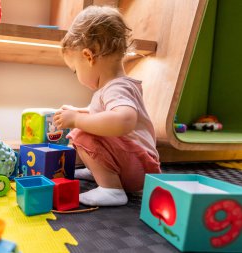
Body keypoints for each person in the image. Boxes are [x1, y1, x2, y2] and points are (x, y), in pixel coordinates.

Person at [53, 5, 161, 206]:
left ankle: (111, 188)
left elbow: (124, 120)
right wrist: (78, 111)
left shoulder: (116, 88)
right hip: (138, 164)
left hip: (140, 168)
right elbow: (100, 114)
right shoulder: (115, 87)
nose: (77, 76)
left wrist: (77, 120)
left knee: (82, 133)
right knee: (86, 125)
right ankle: (102, 171)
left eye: (75, 70)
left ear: (88, 56)